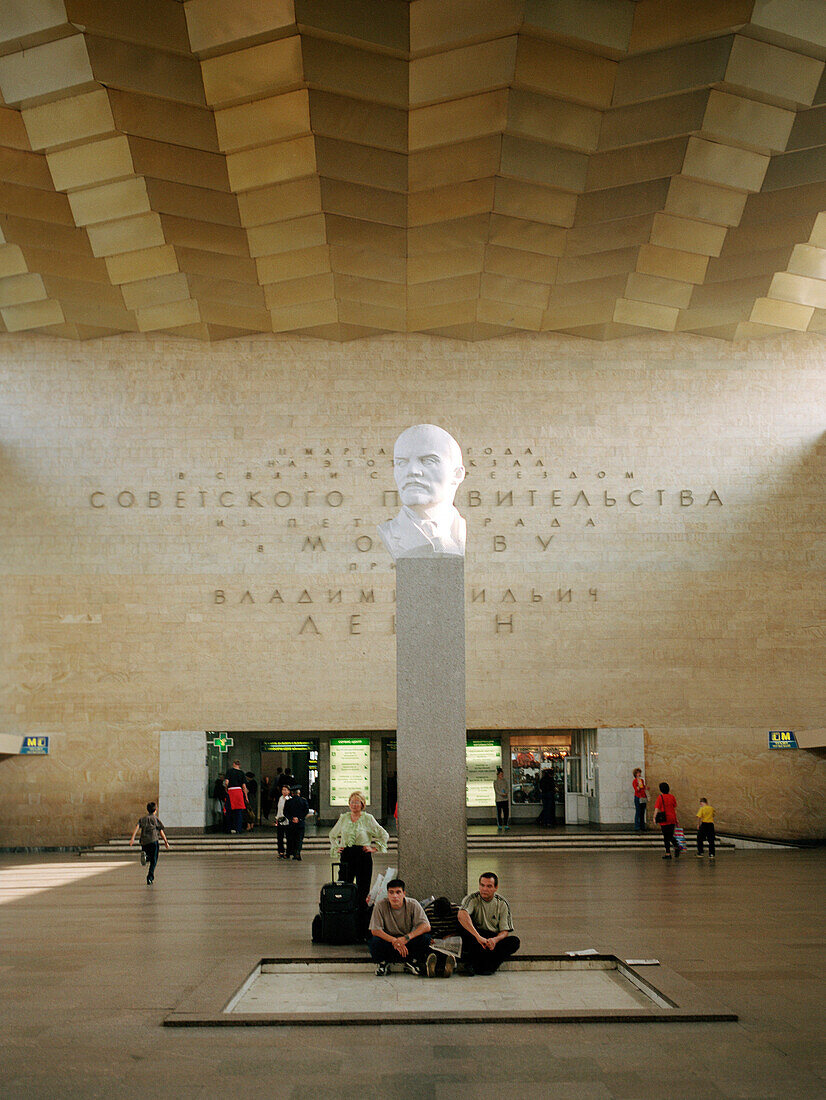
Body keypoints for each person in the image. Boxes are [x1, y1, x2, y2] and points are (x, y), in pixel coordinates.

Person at [378, 423, 466, 559]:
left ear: (457, 474)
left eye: (428, 461)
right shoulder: (389, 532)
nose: (412, 471)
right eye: (401, 463)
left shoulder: (461, 530)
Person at [369, 879, 447, 977]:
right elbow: (375, 930)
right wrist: (394, 941)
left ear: (404, 893)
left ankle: (413, 962)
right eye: (391, 892)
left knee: (425, 938)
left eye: (398, 892)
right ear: (387, 894)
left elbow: (426, 926)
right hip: (390, 942)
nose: (395, 896)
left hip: (408, 943)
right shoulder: (380, 905)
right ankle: (383, 963)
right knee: (374, 941)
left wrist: (406, 938)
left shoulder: (413, 904)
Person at [329, 791, 389, 907]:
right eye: (352, 802)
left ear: (362, 804)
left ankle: (360, 916)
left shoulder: (368, 818)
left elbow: (384, 834)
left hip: (363, 856)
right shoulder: (344, 818)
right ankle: (345, 913)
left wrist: (375, 848)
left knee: (363, 888)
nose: (354, 805)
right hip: (347, 855)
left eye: (357, 802)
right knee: (345, 887)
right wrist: (337, 847)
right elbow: (333, 834)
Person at [458, 871, 520, 975]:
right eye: (482, 885)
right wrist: (478, 937)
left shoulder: (502, 904)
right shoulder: (472, 899)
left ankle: (486, 965)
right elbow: (461, 915)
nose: (484, 889)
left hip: (492, 937)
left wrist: (494, 940)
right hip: (476, 936)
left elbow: (504, 931)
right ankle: (477, 963)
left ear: (496, 888)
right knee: (463, 926)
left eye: (489, 886)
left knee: (514, 941)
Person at [129, 801, 170, 886]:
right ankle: (150, 877)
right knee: (154, 860)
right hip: (153, 840)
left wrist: (132, 838)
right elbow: (160, 831)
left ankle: (146, 857)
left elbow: (137, 827)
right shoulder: (155, 819)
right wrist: (166, 841)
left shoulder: (142, 819)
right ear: (155, 810)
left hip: (144, 841)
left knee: (148, 856)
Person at [654, 781, 680, 859]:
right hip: (672, 818)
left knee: (666, 837)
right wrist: (676, 819)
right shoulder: (672, 797)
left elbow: (657, 808)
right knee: (670, 835)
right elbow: (674, 808)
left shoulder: (660, 797)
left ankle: (668, 853)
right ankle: (676, 845)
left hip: (664, 819)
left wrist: (654, 817)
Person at [223, 759, 248, 834]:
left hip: (231, 791)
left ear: (233, 764)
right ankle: (238, 829)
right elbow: (244, 786)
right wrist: (246, 797)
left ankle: (229, 828)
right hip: (239, 791)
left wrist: (226, 789)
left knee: (229, 811)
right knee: (239, 812)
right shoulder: (242, 773)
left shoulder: (229, 771)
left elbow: (226, 782)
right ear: (239, 765)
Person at [284, 785, 309, 860]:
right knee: (299, 839)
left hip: (291, 824)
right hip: (300, 824)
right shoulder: (303, 801)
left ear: (292, 793)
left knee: (291, 838)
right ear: (299, 793)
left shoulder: (288, 802)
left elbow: (285, 812)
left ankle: (289, 853)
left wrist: (292, 818)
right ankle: (297, 853)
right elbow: (306, 811)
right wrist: (299, 818)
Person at [274, 782, 291, 858]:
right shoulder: (280, 798)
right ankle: (281, 851)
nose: (284, 791)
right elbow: (279, 810)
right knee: (280, 837)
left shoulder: (289, 799)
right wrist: (277, 819)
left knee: (288, 837)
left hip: (287, 821)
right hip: (280, 820)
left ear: (289, 791)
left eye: (285, 790)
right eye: (283, 790)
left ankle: (288, 852)